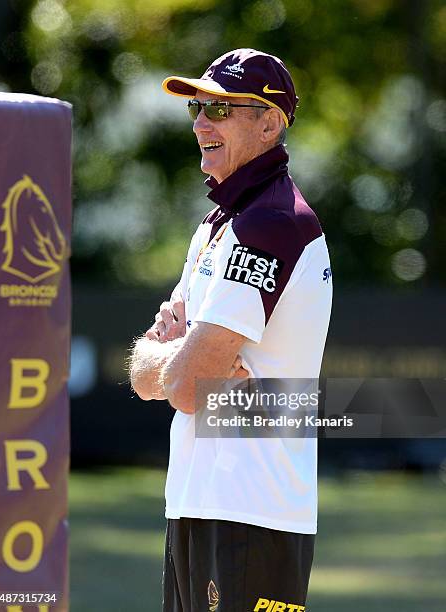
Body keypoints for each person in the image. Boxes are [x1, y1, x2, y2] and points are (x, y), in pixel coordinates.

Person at [130, 48, 332, 612]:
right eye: (198, 106)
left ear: (270, 123)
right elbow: (159, 378)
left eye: (220, 109)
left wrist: (176, 362)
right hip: (199, 504)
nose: (200, 122)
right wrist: (172, 359)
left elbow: (185, 388)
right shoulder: (221, 222)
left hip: (252, 515)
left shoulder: (271, 222)